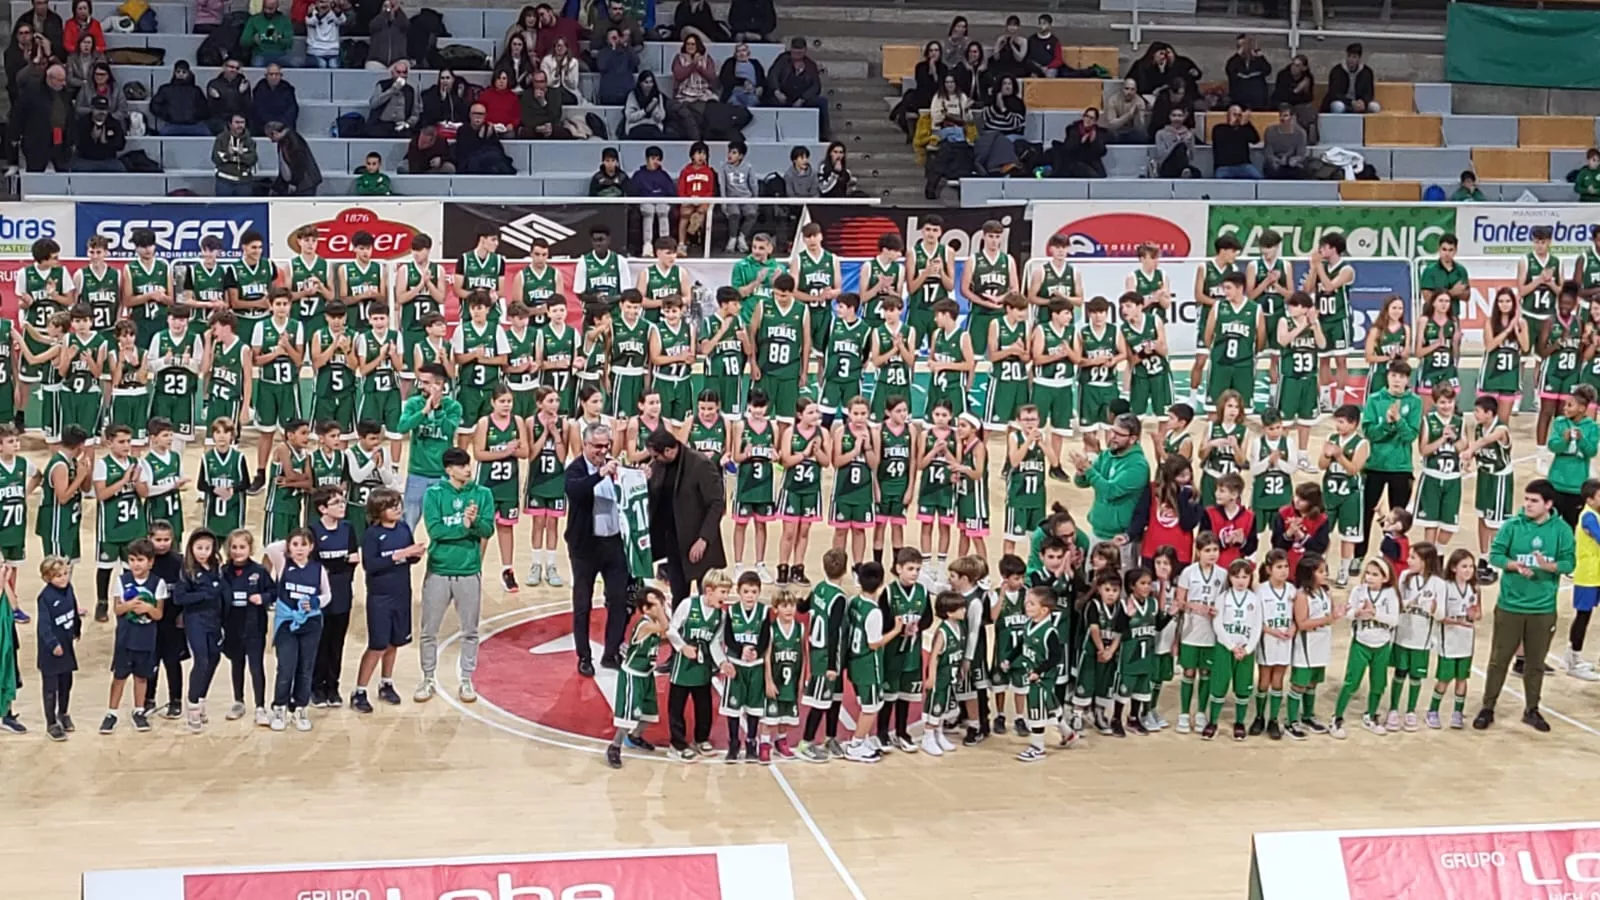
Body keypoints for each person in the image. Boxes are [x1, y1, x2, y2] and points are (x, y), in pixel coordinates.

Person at [1476, 479, 1574, 733]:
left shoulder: (1561, 530)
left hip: (1542, 608)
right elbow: (1496, 555)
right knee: (1499, 660)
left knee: (1536, 663)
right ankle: (1488, 707)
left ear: (1548, 504)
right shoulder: (1512, 525)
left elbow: (1570, 563)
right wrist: (1515, 566)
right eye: (1526, 499)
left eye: (1534, 501)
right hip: (1510, 605)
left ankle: (1532, 709)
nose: (1527, 505)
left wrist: (1548, 567)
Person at [413, 447, 493, 704]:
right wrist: (465, 526)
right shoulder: (433, 494)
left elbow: (488, 529)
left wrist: (476, 523)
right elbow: (435, 531)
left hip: (469, 570)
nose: (467, 469)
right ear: (448, 470)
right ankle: (428, 678)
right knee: (429, 630)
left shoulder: (483, 494)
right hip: (439, 569)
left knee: (470, 630)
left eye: (468, 464)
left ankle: (467, 679)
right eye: (461, 466)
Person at [564, 422, 636, 675]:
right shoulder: (574, 469)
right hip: (584, 547)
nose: (602, 451)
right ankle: (584, 656)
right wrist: (600, 474)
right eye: (597, 446)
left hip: (613, 544)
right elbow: (576, 492)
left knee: (619, 600)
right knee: (582, 603)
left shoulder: (616, 466)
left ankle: (611, 652)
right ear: (585, 445)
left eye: (606, 446)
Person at [352, 488, 422, 713]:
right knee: (377, 645)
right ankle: (360, 690)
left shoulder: (403, 528)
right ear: (378, 511)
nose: (398, 509)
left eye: (399, 504)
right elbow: (370, 566)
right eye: (392, 506)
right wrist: (399, 555)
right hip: (380, 598)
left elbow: (408, 558)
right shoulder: (372, 535)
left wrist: (414, 555)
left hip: (402, 594)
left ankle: (386, 683)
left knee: (395, 642)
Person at [645, 428, 728, 599]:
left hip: (697, 539)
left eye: (656, 456)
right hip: (673, 540)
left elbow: (717, 503)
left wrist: (704, 539)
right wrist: (646, 481)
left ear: (668, 451)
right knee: (678, 594)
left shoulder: (700, 464)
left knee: (707, 594)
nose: (653, 460)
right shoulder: (658, 466)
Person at [1069, 413, 1150, 569]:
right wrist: (1081, 472)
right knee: (1092, 582)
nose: (1113, 437)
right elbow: (1083, 483)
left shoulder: (1138, 466)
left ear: (1133, 439)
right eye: (1113, 431)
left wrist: (1088, 469)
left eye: (1119, 434)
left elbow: (1110, 491)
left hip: (1120, 539)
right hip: (1097, 531)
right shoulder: (1107, 455)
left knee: (1117, 586)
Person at [1330, 557, 1398, 738]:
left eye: (1375, 574)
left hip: (1382, 645)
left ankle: (1371, 715)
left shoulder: (1390, 593)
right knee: (1351, 682)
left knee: (1378, 683)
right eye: (1367, 573)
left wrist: (1374, 613)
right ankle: (1337, 717)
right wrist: (1358, 613)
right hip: (1361, 643)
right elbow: (1349, 614)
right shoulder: (1358, 591)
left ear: (1385, 577)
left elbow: (1394, 619)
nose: (1369, 577)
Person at [397, 363, 463, 527]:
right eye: (421, 382)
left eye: (426, 383)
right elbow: (402, 427)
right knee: (408, 524)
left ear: (439, 384)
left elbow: (448, 431)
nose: (422, 386)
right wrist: (423, 412)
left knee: (443, 523)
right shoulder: (414, 404)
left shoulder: (453, 407)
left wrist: (438, 409)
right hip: (417, 474)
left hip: (442, 475)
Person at [36, 557, 80, 740]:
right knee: (50, 688)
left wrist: (77, 628)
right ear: (47, 578)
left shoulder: (69, 589)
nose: (63, 579)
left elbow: (74, 609)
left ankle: (63, 713)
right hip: (51, 652)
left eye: (65, 574)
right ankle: (51, 722)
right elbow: (44, 626)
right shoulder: (45, 597)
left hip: (67, 646)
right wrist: (53, 644)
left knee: (66, 683)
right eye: (57, 576)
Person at [765, 36, 828, 140]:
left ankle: (823, 135)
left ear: (805, 51)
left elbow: (816, 86)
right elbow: (773, 75)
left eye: (800, 52)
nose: (797, 55)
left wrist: (802, 98)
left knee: (822, 102)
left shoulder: (810, 65)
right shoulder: (782, 60)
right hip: (783, 95)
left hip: (801, 97)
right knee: (769, 100)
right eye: (795, 52)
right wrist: (777, 91)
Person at [15, 65, 74, 173]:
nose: (64, 83)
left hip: (60, 141)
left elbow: (70, 115)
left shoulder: (64, 93)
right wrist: (15, 136)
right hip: (37, 143)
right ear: (50, 78)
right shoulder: (32, 92)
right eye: (60, 80)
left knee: (63, 173)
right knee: (35, 173)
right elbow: (18, 115)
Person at [152, 60, 210, 137]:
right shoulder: (165, 89)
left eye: (184, 72)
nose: (181, 74)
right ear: (174, 73)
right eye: (178, 71)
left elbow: (205, 108)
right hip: (172, 125)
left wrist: (195, 116)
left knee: (207, 132)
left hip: (193, 125)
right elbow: (154, 105)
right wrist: (167, 114)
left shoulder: (196, 90)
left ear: (188, 73)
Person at [266, 122, 322, 196]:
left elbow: (300, 164)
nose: (271, 140)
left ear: (275, 133)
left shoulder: (293, 141)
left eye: (270, 136)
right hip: (298, 183)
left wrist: (294, 182)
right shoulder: (282, 142)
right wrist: (276, 187)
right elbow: (284, 167)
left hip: (305, 184)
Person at [71, 95, 125, 172]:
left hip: (108, 160)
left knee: (120, 168)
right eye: (98, 109)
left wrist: (107, 142)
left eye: (104, 109)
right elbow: (76, 143)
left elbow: (121, 145)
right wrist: (92, 138)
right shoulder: (82, 122)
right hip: (86, 160)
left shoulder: (114, 123)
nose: (101, 112)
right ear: (92, 109)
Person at [367, 60, 418, 137]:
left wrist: (407, 124)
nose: (401, 75)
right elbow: (373, 104)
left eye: (404, 72)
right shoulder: (382, 85)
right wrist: (392, 90)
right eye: (398, 72)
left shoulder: (410, 90)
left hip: (400, 126)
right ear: (392, 73)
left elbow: (415, 114)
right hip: (381, 124)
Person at [1323, 43, 1378, 114]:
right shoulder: (1337, 71)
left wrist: (1363, 102)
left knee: (1375, 107)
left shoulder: (1367, 72)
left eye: (1354, 57)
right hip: (1343, 102)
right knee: (1338, 106)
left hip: (1359, 103)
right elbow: (1334, 94)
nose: (1351, 60)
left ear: (1359, 58)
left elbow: (1369, 93)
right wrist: (1351, 102)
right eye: (1349, 56)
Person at [1272, 53, 1316, 140]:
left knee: (1307, 111)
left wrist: (1306, 90)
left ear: (1304, 68)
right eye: (1293, 64)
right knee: (1288, 110)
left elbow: (1309, 99)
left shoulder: (1308, 78)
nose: (1293, 68)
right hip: (1283, 102)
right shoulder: (1283, 75)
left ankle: (1308, 138)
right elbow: (1282, 95)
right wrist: (1297, 90)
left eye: (1297, 66)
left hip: (1299, 104)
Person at [1051, 109, 1107, 179]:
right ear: (1083, 117)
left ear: (1095, 121)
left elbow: (1102, 151)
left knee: (1101, 175)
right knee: (1093, 175)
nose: (1088, 120)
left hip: (1090, 162)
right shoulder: (1073, 129)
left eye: (1091, 118)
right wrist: (1080, 142)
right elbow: (1068, 148)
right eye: (1086, 116)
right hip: (1075, 161)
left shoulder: (1097, 132)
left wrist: (1094, 142)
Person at [1211, 105, 1261, 180]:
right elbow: (1226, 137)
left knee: (1259, 178)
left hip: (1244, 166)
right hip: (1224, 167)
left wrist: (1248, 124)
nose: (1237, 117)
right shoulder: (1218, 129)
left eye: (1239, 115)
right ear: (1228, 116)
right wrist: (1239, 126)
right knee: (1219, 178)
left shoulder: (1244, 129)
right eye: (1234, 115)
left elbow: (1255, 140)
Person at [241, 0, 295, 67]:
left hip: (280, 54)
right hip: (260, 53)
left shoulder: (284, 20)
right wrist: (254, 40)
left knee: (294, 65)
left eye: (271, 9)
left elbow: (289, 43)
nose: (268, 11)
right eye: (265, 8)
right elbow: (243, 41)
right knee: (257, 64)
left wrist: (279, 39)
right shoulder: (254, 20)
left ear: (277, 7)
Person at [1226, 34, 1272, 110]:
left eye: (1246, 45)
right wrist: (1239, 54)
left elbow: (1267, 70)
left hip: (1257, 99)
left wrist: (1258, 52)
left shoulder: (1258, 60)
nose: (1245, 48)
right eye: (1240, 46)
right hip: (1239, 99)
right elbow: (1229, 70)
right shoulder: (1235, 61)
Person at [250, 63, 298, 136]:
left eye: (277, 74)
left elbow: (292, 109)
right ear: (266, 76)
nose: (274, 77)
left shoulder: (287, 89)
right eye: (271, 74)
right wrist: (270, 124)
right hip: (263, 126)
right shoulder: (259, 89)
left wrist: (280, 124)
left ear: (281, 76)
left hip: (283, 126)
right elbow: (258, 109)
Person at [596, 27, 639, 106]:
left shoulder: (627, 51)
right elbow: (601, 66)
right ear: (606, 40)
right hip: (608, 93)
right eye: (611, 37)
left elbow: (636, 62)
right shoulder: (603, 53)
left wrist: (627, 46)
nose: (614, 39)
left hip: (626, 92)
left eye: (616, 37)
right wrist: (612, 49)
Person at [1262, 104, 1308, 179]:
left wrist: (1293, 160)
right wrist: (1277, 161)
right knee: (1270, 167)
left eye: (1285, 115)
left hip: (1292, 162)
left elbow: (1301, 154)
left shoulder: (1301, 133)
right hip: (1276, 162)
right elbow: (1268, 152)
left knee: (1302, 169)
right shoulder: (1270, 131)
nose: (1282, 118)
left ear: (1293, 117)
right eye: (1281, 115)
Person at [1153, 107, 1200, 178]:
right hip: (1167, 165)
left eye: (1180, 116)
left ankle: (1184, 171)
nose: (1177, 118)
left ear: (1184, 117)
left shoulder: (1188, 134)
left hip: (1184, 164)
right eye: (1174, 115)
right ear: (1169, 117)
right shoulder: (1160, 133)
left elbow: (1191, 157)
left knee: (1197, 173)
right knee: (1180, 147)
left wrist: (1188, 144)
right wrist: (1178, 142)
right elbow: (1161, 155)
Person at [1103, 79, 1150, 144]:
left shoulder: (1140, 102)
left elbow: (1139, 127)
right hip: (1117, 132)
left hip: (1131, 132)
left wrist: (1137, 114)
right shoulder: (1112, 100)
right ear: (1122, 89)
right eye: (1126, 88)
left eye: (1132, 89)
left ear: (1136, 91)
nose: (1129, 92)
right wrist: (1129, 115)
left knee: (1143, 136)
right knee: (1109, 135)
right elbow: (1112, 125)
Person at [719, 42, 765, 108]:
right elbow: (725, 79)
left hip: (753, 91)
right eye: (738, 51)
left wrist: (761, 86)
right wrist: (743, 82)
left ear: (748, 52)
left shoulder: (755, 63)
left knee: (753, 100)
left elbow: (763, 79)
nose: (741, 53)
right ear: (735, 54)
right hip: (736, 90)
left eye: (743, 50)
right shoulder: (730, 62)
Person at [366, 0, 410, 70]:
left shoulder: (400, 23)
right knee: (371, 68)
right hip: (377, 61)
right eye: (385, 7)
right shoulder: (377, 22)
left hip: (398, 60)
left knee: (402, 71)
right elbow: (373, 26)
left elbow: (405, 24)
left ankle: (399, 81)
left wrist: (397, 10)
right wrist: (387, 11)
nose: (389, 9)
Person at [305, 0, 346, 68]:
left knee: (334, 66)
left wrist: (335, 8)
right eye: (321, 2)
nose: (324, 5)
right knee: (322, 65)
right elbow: (310, 21)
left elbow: (343, 20)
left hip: (333, 51)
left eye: (326, 2)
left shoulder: (334, 14)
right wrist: (323, 12)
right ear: (316, 3)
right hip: (315, 51)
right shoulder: (311, 14)